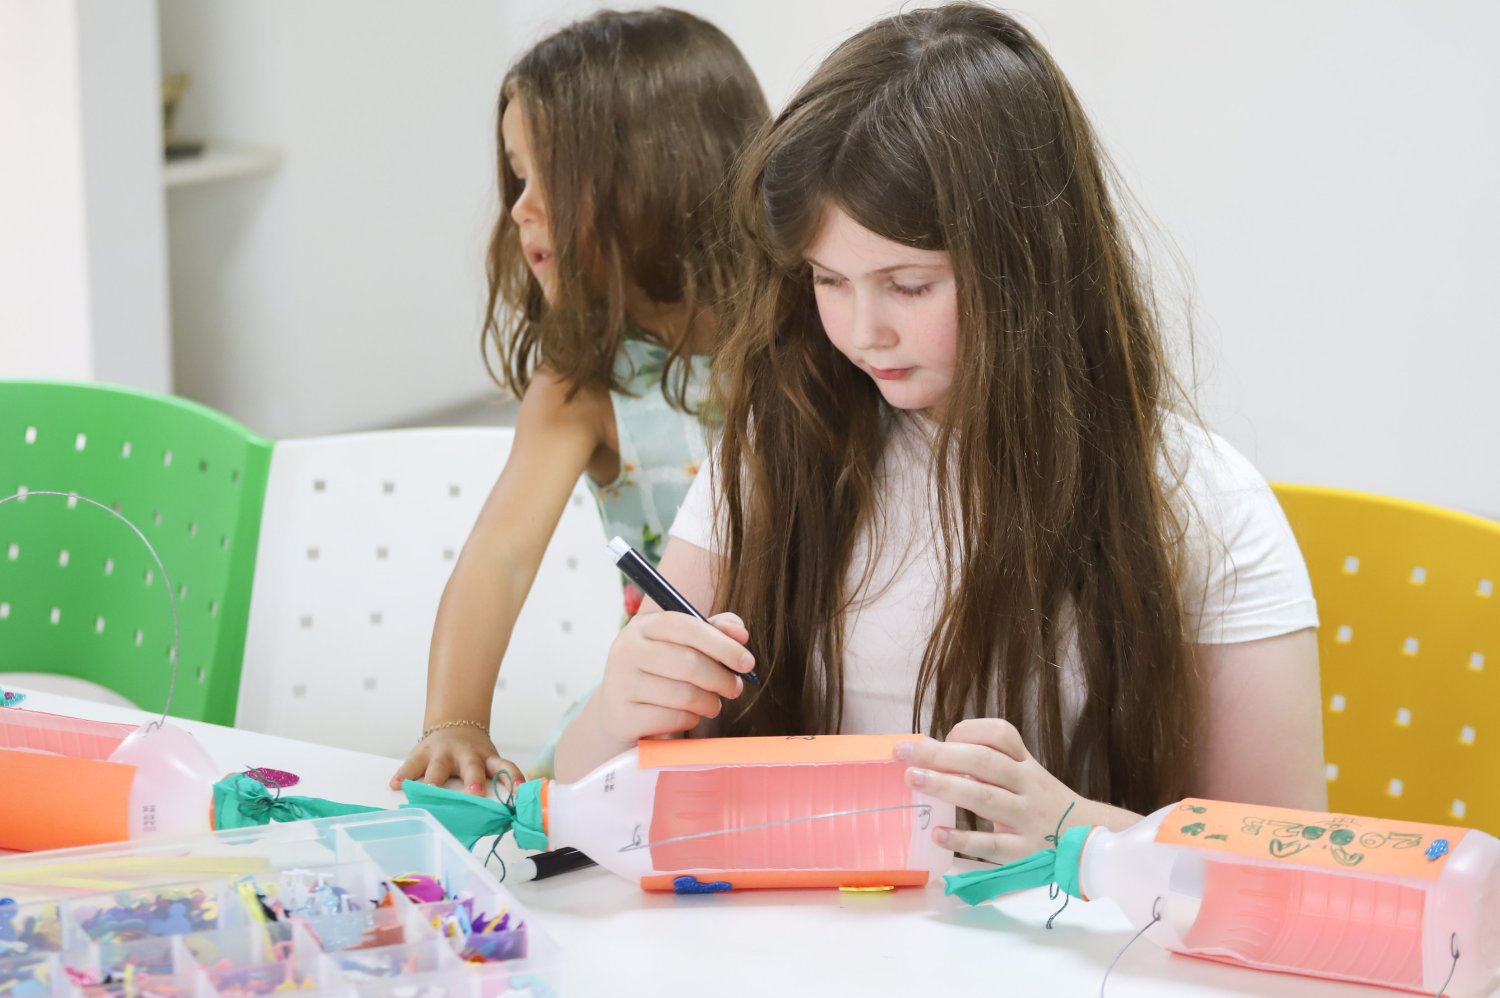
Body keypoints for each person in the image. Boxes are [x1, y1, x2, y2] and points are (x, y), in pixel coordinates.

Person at [554, 2, 1326, 861]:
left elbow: (1283, 860)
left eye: (909, 285)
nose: (861, 333)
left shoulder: (1200, 500)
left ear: (1029, 265)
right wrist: (616, 711)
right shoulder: (778, 451)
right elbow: (584, 802)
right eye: (827, 280)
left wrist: (1080, 832)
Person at [391, 8, 768, 794]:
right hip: (655, 726)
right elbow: (500, 558)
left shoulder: (809, 340)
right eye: (516, 175)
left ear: (656, 176)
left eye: (547, 178)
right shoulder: (585, 383)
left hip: (823, 712)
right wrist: (455, 722)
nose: (519, 207)